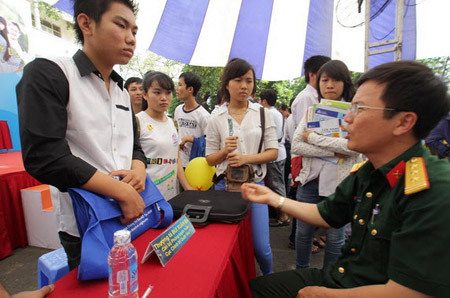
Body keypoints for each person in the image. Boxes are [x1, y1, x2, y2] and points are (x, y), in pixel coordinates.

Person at [241, 60, 450, 297]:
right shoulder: (368, 171)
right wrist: (274, 199)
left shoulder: (435, 190)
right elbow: (326, 213)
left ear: (403, 122)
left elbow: (411, 291)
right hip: (343, 277)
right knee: (253, 289)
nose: (347, 119)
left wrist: (325, 295)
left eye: (359, 109)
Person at [17, 0, 147, 271]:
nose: (130, 38)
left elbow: (134, 146)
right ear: (86, 23)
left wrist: (138, 168)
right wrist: (119, 190)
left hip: (131, 215)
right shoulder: (50, 74)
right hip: (86, 223)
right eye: (120, 25)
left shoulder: (123, 91)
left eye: (134, 31)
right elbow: (45, 156)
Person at [205, 58, 278, 275]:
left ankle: (269, 281)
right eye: (238, 80)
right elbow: (209, 159)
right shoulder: (215, 117)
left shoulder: (263, 114)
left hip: (255, 186)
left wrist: (245, 159)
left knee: (261, 248)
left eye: (249, 80)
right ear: (227, 83)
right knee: (227, 246)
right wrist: (224, 152)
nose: (244, 86)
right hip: (224, 189)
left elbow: (273, 152)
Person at [292, 60, 363, 268]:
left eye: (335, 80)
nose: (329, 85)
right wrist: (336, 148)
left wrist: (313, 138)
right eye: (325, 80)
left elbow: (354, 148)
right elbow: (296, 145)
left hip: (340, 184)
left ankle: (329, 278)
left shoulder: (354, 114)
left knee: (335, 237)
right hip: (310, 180)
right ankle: (301, 272)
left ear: (345, 83)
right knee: (303, 233)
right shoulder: (312, 111)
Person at [136, 71, 194, 199]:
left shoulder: (171, 122)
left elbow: (176, 158)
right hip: (145, 196)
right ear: (145, 94)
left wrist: (187, 187)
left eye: (168, 93)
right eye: (157, 92)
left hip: (170, 195)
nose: (164, 98)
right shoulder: (137, 121)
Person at [259, 89, 289, 227]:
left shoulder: (268, 113)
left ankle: (283, 216)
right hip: (280, 153)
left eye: (260, 100)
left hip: (274, 155)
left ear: (264, 101)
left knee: (277, 186)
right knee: (277, 184)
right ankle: (280, 215)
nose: (259, 103)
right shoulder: (277, 113)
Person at [174, 71, 210, 167]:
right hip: (177, 161)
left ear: (190, 89)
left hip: (195, 165)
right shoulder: (178, 110)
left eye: (180, 85)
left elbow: (211, 140)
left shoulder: (203, 115)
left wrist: (190, 139)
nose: (176, 89)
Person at [291, 55, 331, 130]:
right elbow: (304, 130)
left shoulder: (321, 96)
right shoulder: (305, 98)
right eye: (324, 76)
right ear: (312, 75)